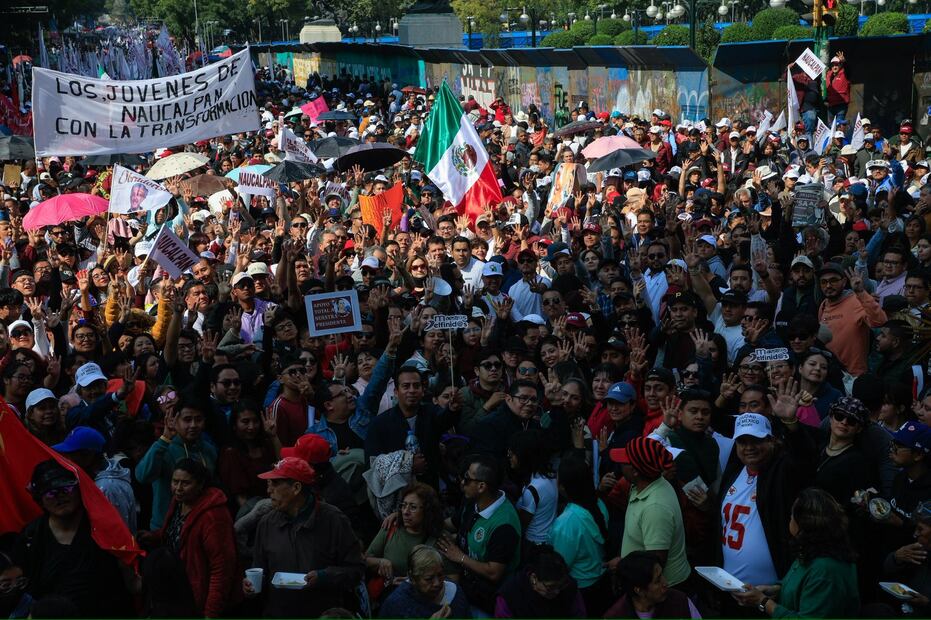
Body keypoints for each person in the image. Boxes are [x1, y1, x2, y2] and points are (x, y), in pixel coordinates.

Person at [244, 457, 365, 617]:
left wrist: (323, 577)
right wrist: (250, 588)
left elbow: (356, 570)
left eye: (275, 484)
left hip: (322, 613)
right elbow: (259, 569)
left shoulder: (333, 520)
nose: (269, 491)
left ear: (296, 487)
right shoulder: (267, 524)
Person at [13, 460, 133, 617]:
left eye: (66, 489)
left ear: (79, 489)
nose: (59, 497)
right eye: (50, 493)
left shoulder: (104, 529)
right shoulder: (31, 537)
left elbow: (129, 581)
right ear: (39, 499)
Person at [732, 488, 860, 618]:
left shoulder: (825, 571)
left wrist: (763, 601)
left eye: (792, 516)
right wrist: (776, 590)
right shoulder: (814, 550)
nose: (790, 519)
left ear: (803, 524)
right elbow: (802, 586)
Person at [143, 459, 237, 618]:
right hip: (176, 591)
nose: (178, 488)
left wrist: (211, 613)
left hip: (196, 596)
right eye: (175, 482)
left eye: (185, 483)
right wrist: (154, 536)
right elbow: (178, 532)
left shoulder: (213, 518)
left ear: (200, 485)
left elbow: (222, 568)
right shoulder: (179, 502)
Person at [436, 455, 521, 616]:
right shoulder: (473, 500)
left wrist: (460, 557)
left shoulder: (504, 525)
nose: (462, 482)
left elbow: (494, 573)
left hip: (486, 599)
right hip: (465, 583)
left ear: (481, 486)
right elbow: (453, 523)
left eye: (467, 479)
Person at [610, 436, 691, 588]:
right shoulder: (643, 484)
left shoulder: (655, 508)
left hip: (661, 591)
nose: (620, 464)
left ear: (635, 471)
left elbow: (655, 563)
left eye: (624, 461)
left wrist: (623, 567)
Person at [548, 454, 612, 616]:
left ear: (562, 486)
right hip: (603, 583)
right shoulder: (599, 504)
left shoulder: (566, 523)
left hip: (581, 591)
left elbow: (561, 565)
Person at [378, 545, 470, 619]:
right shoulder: (396, 604)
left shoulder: (456, 594)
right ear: (412, 578)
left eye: (440, 575)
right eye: (429, 579)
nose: (437, 583)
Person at [495, 545, 586, 618]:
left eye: (561, 586)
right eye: (551, 587)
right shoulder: (510, 595)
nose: (557, 591)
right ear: (534, 578)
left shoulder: (569, 587)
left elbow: (579, 614)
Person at [604, 550, 701, 618]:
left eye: (661, 574)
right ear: (639, 590)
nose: (665, 583)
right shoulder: (616, 615)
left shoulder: (680, 601)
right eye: (657, 581)